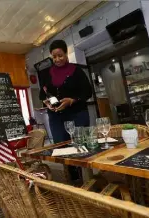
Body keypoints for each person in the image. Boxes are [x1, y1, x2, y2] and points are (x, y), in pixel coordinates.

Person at [39, 39, 93, 182]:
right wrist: (46, 102)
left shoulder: (77, 71)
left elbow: (87, 92)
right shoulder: (46, 74)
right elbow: (42, 94)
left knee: (80, 145)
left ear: (66, 53)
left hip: (77, 113)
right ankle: (73, 178)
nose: (57, 59)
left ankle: (87, 177)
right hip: (56, 117)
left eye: (60, 55)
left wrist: (72, 100)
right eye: (54, 56)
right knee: (61, 147)